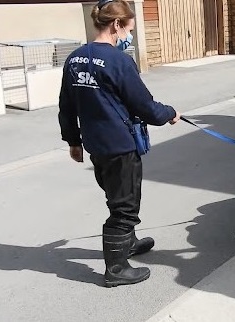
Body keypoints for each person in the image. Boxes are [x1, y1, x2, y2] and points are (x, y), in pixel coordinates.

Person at [58, 0, 181, 287]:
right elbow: (145, 106)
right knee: (124, 207)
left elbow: (66, 106)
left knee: (116, 196)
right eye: (129, 29)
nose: (129, 36)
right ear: (116, 25)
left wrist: (73, 142)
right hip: (120, 146)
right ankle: (116, 268)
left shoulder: (75, 58)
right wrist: (170, 113)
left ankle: (128, 242)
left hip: (95, 146)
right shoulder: (119, 61)